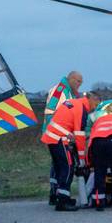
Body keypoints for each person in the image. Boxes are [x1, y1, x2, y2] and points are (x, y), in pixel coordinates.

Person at [39, 90, 99, 212]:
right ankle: (62, 202)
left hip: (52, 137)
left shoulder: (75, 103)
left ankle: (60, 197)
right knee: (68, 168)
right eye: (96, 104)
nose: (95, 108)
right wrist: (82, 160)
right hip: (59, 139)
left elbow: (67, 123)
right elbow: (79, 135)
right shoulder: (82, 109)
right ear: (92, 99)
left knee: (60, 168)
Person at [43, 71, 82, 204]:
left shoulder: (68, 92)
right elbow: (51, 113)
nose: (80, 84)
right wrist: (62, 133)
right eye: (78, 81)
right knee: (62, 165)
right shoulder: (60, 91)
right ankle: (57, 195)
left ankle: (55, 194)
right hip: (57, 135)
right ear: (71, 78)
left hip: (59, 134)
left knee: (58, 164)